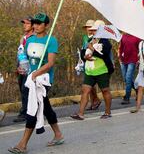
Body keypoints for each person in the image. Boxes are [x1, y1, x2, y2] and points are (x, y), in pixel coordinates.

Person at [9, 13, 64, 154]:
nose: (36, 26)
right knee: (45, 107)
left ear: (46, 25)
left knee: (33, 108)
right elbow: (25, 59)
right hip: (29, 79)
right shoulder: (30, 39)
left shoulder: (51, 40)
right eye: (34, 23)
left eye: (39, 23)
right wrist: (21, 68)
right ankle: (58, 134)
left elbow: (50, 63)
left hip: (42, 81)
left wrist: (36, 73)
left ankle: (22, 144)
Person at [71, 20, 114, 120]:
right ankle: (80, 113)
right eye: (93, 29)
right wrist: (85, 57)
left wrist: (92, 49)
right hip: (90, 71)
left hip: (102, 70)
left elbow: (104, 54)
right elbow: (82, 52)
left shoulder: (105, 41)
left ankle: (107, 112)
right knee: (85, 90)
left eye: (95, 29)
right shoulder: (90, 39)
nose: (92, 31)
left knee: (105, 90)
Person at [14, 16, 34, 123]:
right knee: (23, 90)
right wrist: (17, 67)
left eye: (27, 23)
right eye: (24, 23)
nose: (24, 25)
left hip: (30, 69)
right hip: (21, 68)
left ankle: (25, 113)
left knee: (26, 90)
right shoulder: (23, 38)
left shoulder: (34, 38)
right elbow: (20, 53)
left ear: (32, 25)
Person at [81, 20, 102, 111]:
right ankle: (94, 101)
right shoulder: (85, 37)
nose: (88, 29)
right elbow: (83, 48)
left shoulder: (96, 37)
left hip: (95, 61)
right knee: (88, 85)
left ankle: (95, 100)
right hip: (86, 61)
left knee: (91, 84)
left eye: (90, 27)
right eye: (87, 27)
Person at [119, 33, 142, 104]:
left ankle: (127, 98)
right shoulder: (123, 36)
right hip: (123, 60)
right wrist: (120, 57)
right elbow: (121, 47)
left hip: (133, 60)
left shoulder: (137, 37)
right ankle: (137, 90)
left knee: (128, 78)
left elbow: (140, 49)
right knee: (126, 79)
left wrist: (139, 59)